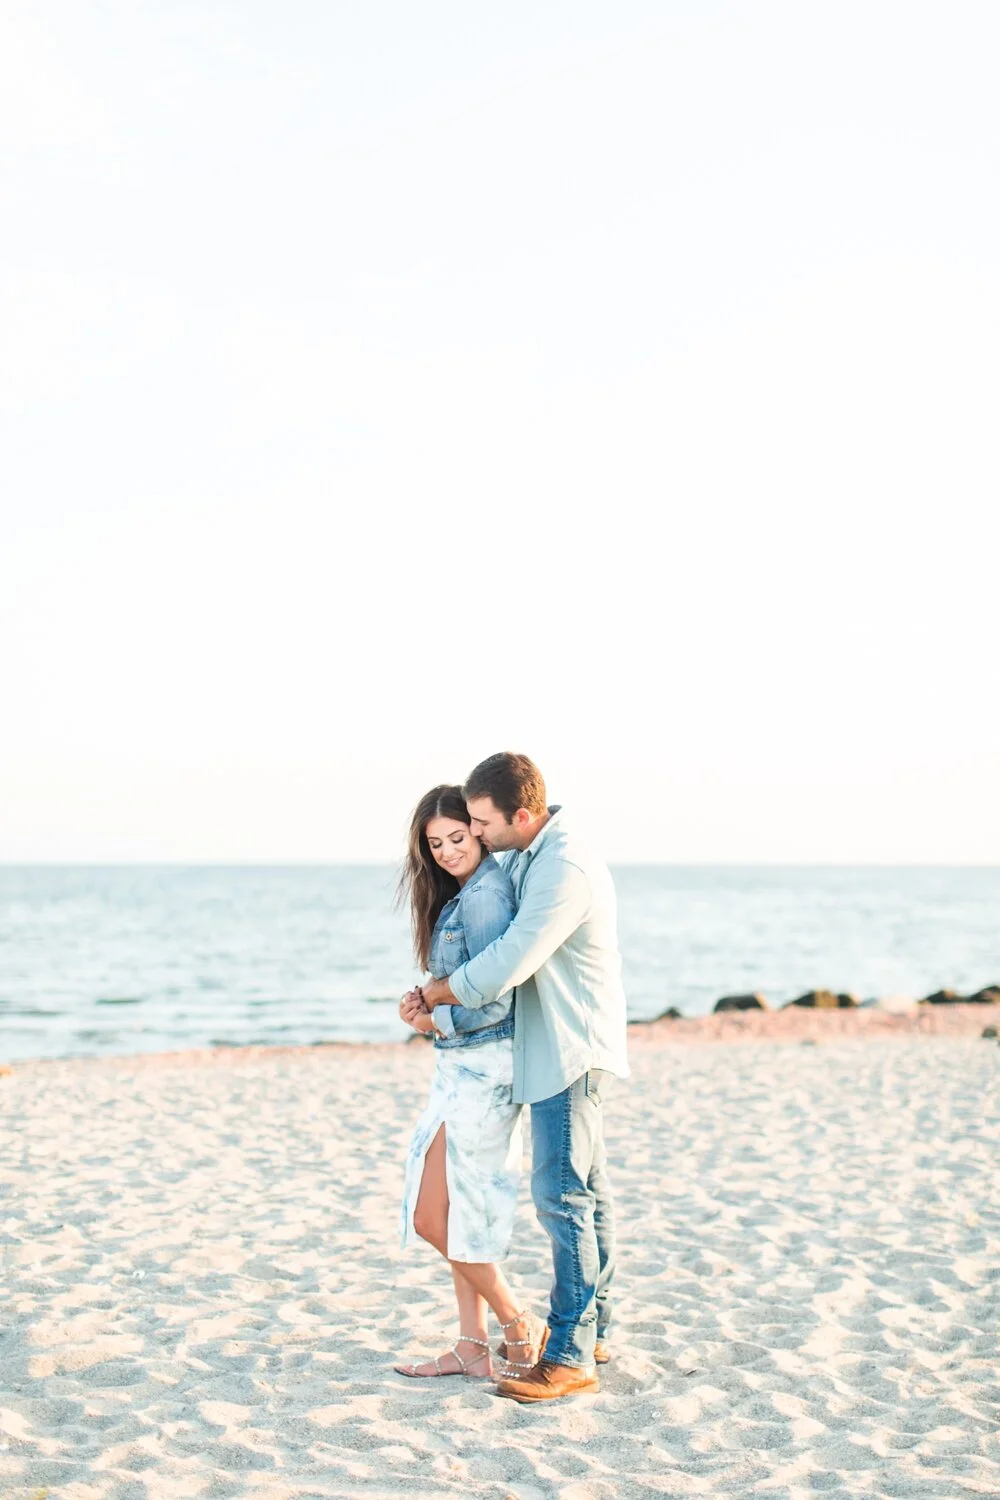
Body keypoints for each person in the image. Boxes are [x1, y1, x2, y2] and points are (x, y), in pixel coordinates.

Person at [407, 753, 629, 1403]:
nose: (473, 834)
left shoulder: (563, 865)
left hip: (568, 1047)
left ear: (520, 816)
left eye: (478, 822)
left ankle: (568, 1354)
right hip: (554, 1044)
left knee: (563, 1198)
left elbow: (508, 961)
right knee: (586, 1192)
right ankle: (596, 1330)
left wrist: (439, 992)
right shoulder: (534, 853)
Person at [394, 784, 548, 1380]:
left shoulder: (486, 898)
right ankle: (471, 1343)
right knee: (446, 1211)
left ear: (479, 831)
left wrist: (435, 1019)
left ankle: (515, 1320)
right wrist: (425, 1016)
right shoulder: (463, 895)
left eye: (457, 837)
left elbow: (495, 1000)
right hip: (458, 1067)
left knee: (439, 1217)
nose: (447, 852)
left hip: (485, 1071)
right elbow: (462, 988)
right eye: (435, 844)